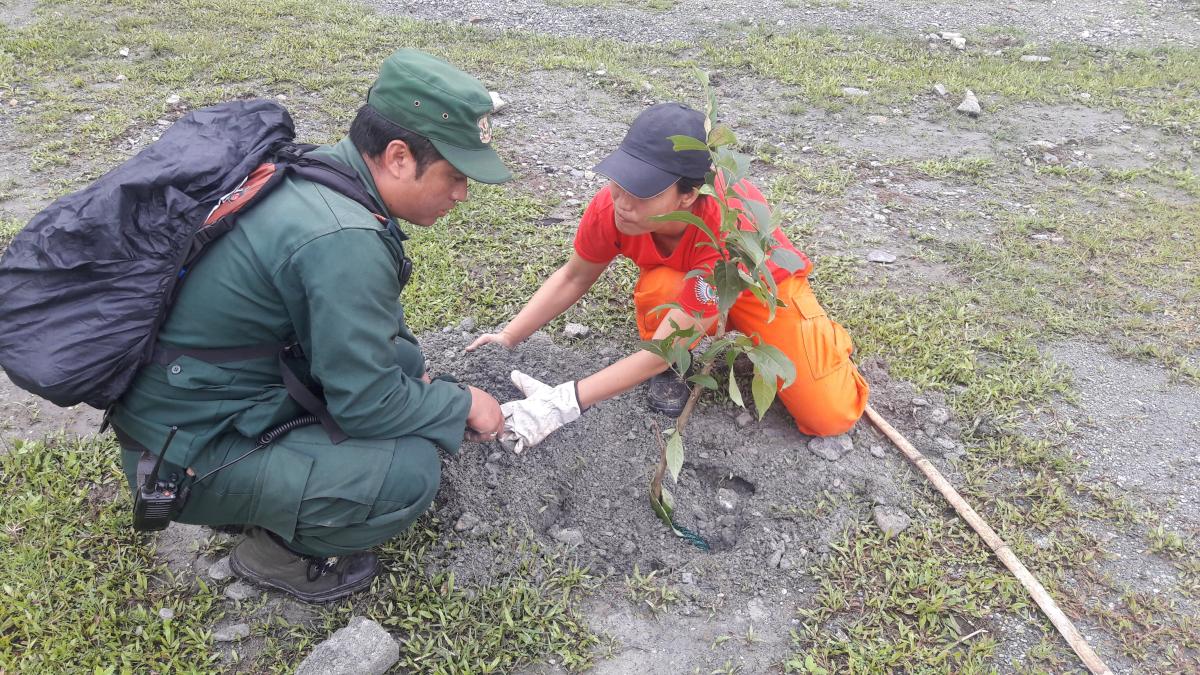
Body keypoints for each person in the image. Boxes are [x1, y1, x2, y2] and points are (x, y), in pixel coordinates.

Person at [109, 49, 510, 602]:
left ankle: (276, 483)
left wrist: (413, 391)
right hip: (185, 454)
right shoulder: (342, 239)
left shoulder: (320, 174)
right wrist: (463, 404)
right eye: (455, 176)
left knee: (404, 363)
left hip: (190, 399)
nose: (462, 195)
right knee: (409, 474)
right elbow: (367, 405)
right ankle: (273, 555)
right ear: (398, 156)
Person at [469, 102, 868, 452]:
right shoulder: (613, 206)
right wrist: (509, 336)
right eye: (619, 182)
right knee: (662, 290)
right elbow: (574, 276)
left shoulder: (729, 227)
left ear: (688, 196)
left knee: (829, 415)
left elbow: (662, 344)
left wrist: (563, 403)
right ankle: (681, 364)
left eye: (641, 193)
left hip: (762, 289)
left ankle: (823, 339)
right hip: (686, 284)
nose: (622, 204)